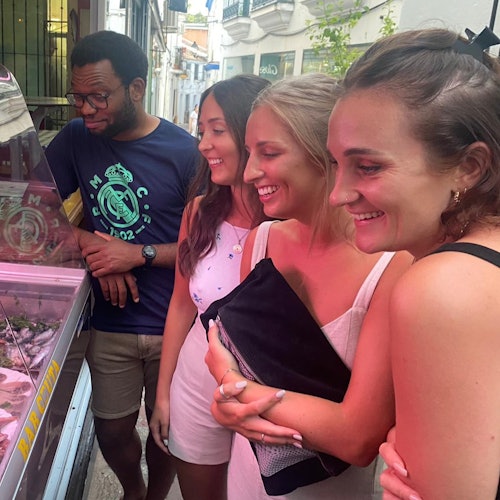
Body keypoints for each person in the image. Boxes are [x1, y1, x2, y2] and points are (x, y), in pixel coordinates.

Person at [204, 73, 412, 499]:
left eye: (270, 153)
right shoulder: (261, 242)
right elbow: (237, 356)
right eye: (249, 153)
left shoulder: (392, 267)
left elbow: (357, 439)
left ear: (325, 156)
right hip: (250, 477)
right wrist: (229, 391)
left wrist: (235, 390)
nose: (250, 172)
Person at [326, 27, 500, 499]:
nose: (338, 194)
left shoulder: (442, 288)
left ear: (470, 167)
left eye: (368, 167)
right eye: (336, 164)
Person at [45, 30, 199, 499]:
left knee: (165, 432)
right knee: (111, 432)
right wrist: (93, 245)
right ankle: (133, 490)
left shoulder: (186, 152)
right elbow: (36, 209)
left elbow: (206, 246)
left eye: (99, 96)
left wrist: (138, 254)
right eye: (79, 96)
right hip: (110, 321)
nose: (86, 109)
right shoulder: (76, 140)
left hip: (174, 322)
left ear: (136, 88)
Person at [149, 75, 270, 500]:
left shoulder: (289, 222)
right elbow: (182, 305)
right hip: (195, 382)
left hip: (266, 395)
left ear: (254, 133)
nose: (203, 144)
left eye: (217, 130)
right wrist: (162, 393)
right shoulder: (199, 212)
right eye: (202, 131)